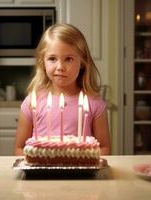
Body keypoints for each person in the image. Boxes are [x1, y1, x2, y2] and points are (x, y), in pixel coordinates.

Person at [14, 23, 111, 155]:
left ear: (82, 62)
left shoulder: (94, 103)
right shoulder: (32, 102)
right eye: (52, 58)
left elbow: (105, 148)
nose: (60, 66)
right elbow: (19, 148)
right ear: (43, 62)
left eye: (68, 59)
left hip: (81, 174)